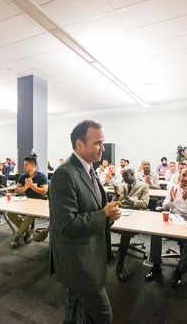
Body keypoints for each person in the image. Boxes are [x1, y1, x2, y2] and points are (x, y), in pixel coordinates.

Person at [49, 120, 120, 324]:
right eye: (97, 143)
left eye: (102, 143)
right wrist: (103, 215)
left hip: (89, 256)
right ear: (79, 144)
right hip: (78, 262)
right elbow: (67, 223)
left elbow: (94, 209)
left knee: (76, 311)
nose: (103, 149)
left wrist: (108, 217)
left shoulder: (89, 170)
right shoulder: (65, 174)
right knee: (103, 316)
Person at [144, 168, 187, 287]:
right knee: (156, 233)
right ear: (179, 176)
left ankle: (179, 271)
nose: (185, 178)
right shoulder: (173, 187)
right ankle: (156, 266)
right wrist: (171, 199)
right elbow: (165, 206)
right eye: (183, 175)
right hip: (172, 218)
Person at [113, 169, 149, 282]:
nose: (123, 179)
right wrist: (116, 196)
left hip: (135, 216)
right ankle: (106, 256)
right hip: (122, 213)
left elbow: (144, 204)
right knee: (104, 224)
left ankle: (120, 265)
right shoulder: (122, 185)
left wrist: (129, 199)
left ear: (132, 175)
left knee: (126, 232)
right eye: (122, 177)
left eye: (125, 176)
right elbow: (119, 201)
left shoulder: (143, 186)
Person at [8, 154, 48, 248]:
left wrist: (32, 186)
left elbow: (44, 191)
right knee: (10, 213)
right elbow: (17, 190)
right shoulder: (23, 177)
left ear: (33, 165)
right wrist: (26, 187)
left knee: (30, 215)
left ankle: (17, 236)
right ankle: (27, 230)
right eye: (24, 164)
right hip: (26, 201)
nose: (24, 166)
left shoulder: (41, 176)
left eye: (26, 164)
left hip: (39, 201)